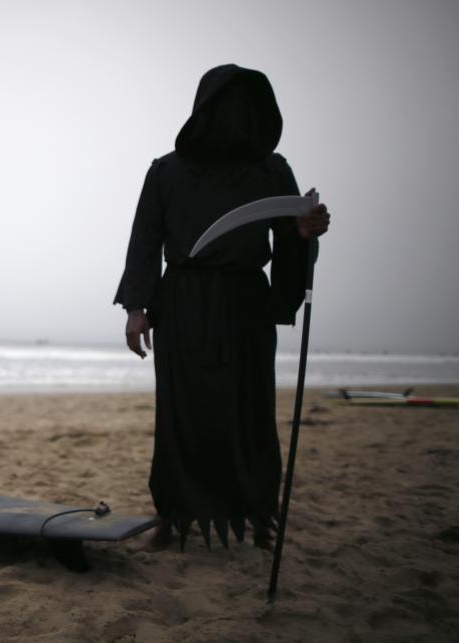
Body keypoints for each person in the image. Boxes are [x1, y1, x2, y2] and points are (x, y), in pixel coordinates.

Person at [115, 64, 330, 549]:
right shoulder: (167, 171)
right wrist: (136, 307)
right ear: (205, 109)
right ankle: (176, 514)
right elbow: (145, 241)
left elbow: (292, 240)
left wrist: (304, 232)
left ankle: (258, 515)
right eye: (227, 105)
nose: (237, 116)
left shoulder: (272, 170)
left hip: (245, 304)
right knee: (181, 414)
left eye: (248, 107)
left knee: (248, 411)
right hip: (184, 304)